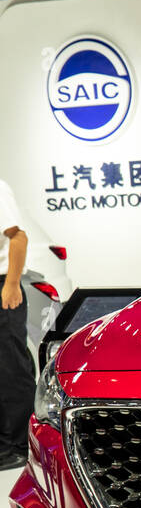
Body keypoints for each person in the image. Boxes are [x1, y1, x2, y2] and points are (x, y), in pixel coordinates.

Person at [0, 179, 35, 471]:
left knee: (12, 367)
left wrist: (11, 285)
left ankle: (21, 446)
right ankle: (5, 444)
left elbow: (18, 237)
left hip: (2, 287)